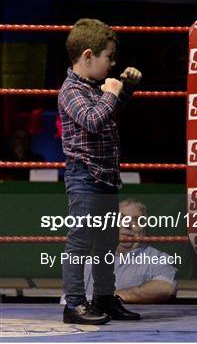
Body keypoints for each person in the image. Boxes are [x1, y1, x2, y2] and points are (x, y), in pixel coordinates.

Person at [58, 18, 142, 325]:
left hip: (105, 177)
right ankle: (74, 305)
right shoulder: (71, 90)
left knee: (107, 242)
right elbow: (93, 120)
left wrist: (126, 88)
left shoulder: (95, 87)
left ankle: (104, 297)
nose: (113, 63)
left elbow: (110, 114)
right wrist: (112, 91)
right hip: (85, 177)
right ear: (89, 56)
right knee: (80, 242)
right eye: (109, 57)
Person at [83, 199, 178, 304]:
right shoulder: (90, 262)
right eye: (121, 218)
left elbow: (166, 288)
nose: (127, 225)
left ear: (145, 229)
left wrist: (111, 298)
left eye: (136, 220)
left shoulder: (159, 259)